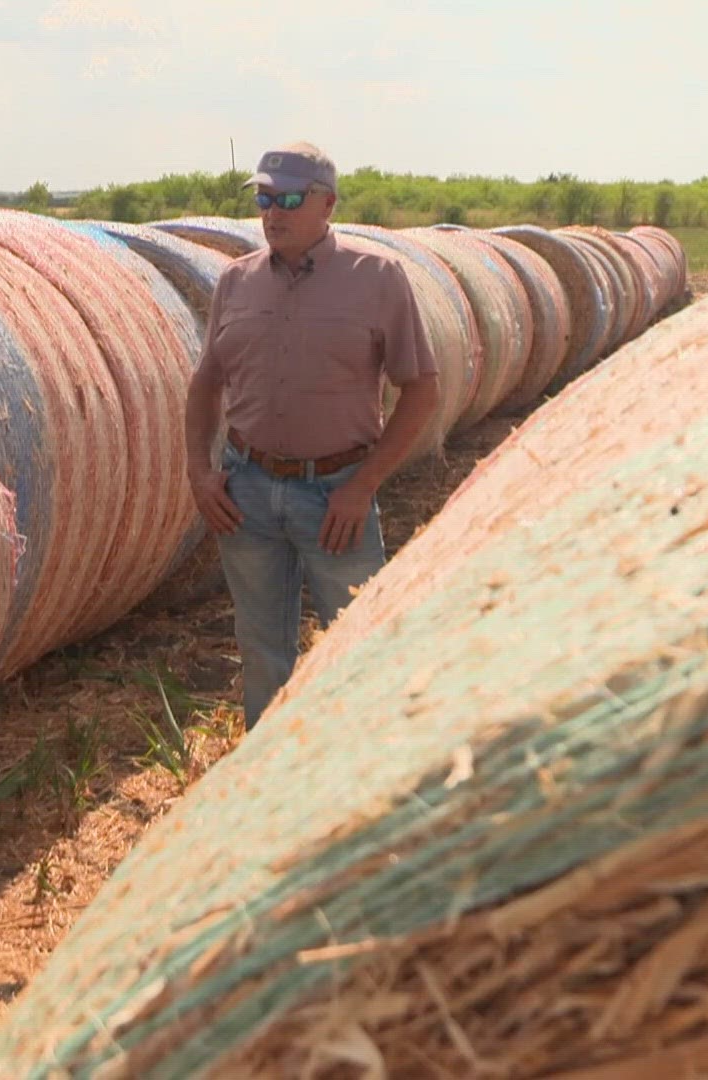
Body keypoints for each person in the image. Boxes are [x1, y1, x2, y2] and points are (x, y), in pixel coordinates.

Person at [184, 141, 440, 730]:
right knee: (262, 652)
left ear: (327, 204)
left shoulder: (377, 278)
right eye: (265, 199)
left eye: (290, 199)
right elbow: (205, 385)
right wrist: (200, 474)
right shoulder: (236, 282)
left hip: (337, 494)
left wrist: (364, 485)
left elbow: (421, 390)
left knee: (360, 646)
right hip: (246, 491)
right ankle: (269, 787)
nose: (273, 212)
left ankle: (363, 781)